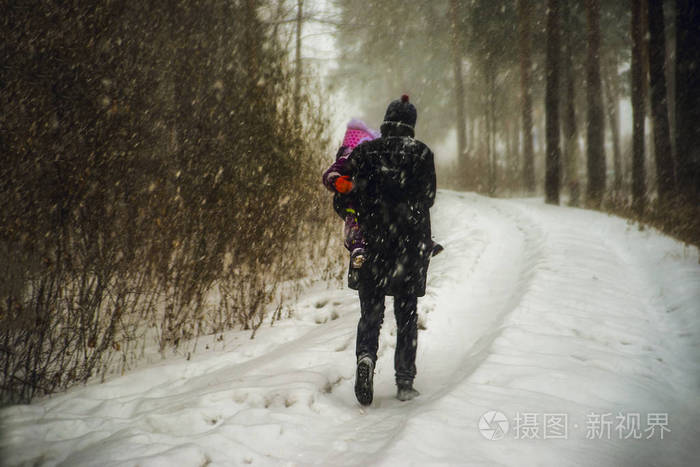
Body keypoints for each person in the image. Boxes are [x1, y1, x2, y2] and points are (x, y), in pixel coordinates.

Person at [327, 95, 436, 405]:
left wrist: (362, 210)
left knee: (370, 314)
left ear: (386, 121)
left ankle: (366, 358)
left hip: (372, 244)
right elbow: (428, 198)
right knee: (406, 315)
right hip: (409, 245)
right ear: (411, 125)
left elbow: (342, 196)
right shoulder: (422, 154)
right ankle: (404, 380)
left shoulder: (364, 152)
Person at [322, 119, 381, 268]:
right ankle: (357, 246)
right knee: (353, 217)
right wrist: (337, 181)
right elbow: (330, 173)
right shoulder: (348, 158)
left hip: (372, 200)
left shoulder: (374, 159)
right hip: (353, 200)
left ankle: (359, 245)